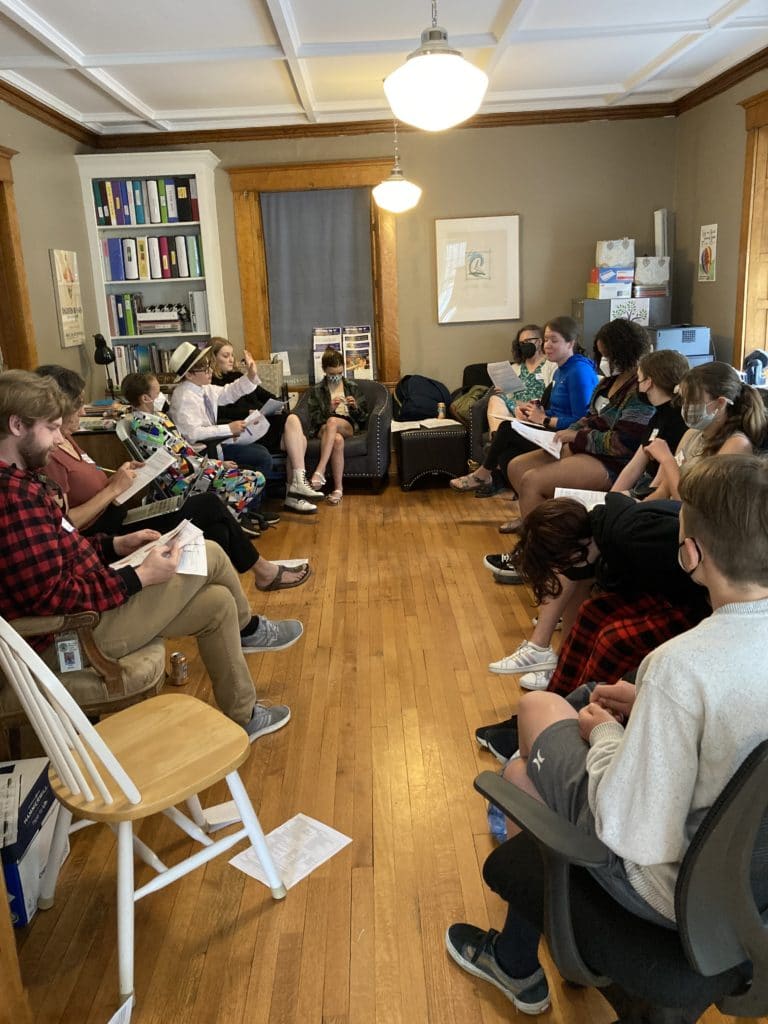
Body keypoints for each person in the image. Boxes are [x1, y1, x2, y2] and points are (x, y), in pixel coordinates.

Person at [447, 454, 768, 1013]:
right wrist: (652, 710)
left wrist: (605, 739)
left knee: (535, 730)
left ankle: (517, 963)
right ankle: (520, 956)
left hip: (678, 897)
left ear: (691, 554)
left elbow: (632, 831)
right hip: (758, 890)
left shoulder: (679, 666)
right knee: (541, 755)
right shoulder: (691, 673)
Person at [0, 371, 304, 741]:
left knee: (217, 603)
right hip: (70, 633)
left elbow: (62, 547)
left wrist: (114, 546)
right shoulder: (12, 499)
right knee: (206, 552)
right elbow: (51, 597)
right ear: (17, 425)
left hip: (95, 603)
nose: (56, 438)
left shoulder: (24, 483)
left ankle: (243, 714)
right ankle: (249, 629)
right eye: (50, 428)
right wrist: (139, 577)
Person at [36, 367, 309, 592]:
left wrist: (120, 478)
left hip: (122, 513)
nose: (83, 411)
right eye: (78, 405)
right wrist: (112, 490)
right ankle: (263, 573)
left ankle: (232, 604)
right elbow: (65, 525)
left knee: (219, 530)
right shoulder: (49, 458)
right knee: (210, 505)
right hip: (110, 531)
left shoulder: (66, 439)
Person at [504, 318, 654, 533]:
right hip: (589, 447)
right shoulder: (607, 383)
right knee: (517, 466)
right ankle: (539, 523)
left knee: (532, 481)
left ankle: (536, 545)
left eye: (608, 355)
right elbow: (590, 417)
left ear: (624, 353)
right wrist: (572, 430)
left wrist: (577, 438)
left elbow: (623, 443)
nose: (603, 360)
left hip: (614, 462)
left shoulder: (639, 392)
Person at [451, 317, 597, 515]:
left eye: (553, 340)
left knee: (506, 430)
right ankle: (527, 510)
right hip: (550, 428)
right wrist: (536, 413)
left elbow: (583, 419)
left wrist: (544, 419)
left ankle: (484, 474)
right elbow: (556, 408)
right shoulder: (561, 371)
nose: (547, 345)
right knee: (505, 448)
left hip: (564, 436)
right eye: (545, 340)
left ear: (570, 343)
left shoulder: (578, 371)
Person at [121, 370, 276, 533]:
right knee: (254, 479)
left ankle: (227, 518)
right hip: (182, 481)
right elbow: (177, 464)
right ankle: (229, 520)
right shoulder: (146, 428)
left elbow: (183, 450)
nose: (162, 397)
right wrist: (216, 466)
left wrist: (218, 464)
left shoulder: (158, 417)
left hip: (192, 470)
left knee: (249, 474)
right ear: (145, 398)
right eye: (158, 393)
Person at [450, 324, 555, 496]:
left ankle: (492, 469)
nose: (525, 345)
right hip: (514, 413)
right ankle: (495, 441)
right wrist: (511, 402)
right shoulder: (514, 368)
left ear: (540, 341)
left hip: (537, 412)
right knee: (495, 399)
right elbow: (509, 397)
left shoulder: (550, 366)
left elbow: (550, 395)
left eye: (530, 340)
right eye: (522, 342)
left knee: (512, 416)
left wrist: (527, 407)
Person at [641, 361, 766, 500]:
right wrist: (634, 511)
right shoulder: (691, 434)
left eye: (694, 401)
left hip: (694, 518)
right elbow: (664, 491)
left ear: (720, 403)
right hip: (671, 514)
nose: (687, 407)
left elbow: (693, 507)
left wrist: (667, 460)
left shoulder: (737, 445)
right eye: (685, 400)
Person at [168, 341, 273, 477]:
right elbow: (193, 434)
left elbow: (228, 392)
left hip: (214, 444)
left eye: (209, 366)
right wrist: (228, 429)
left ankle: (250, 492)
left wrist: (251, 375)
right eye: (205, 369)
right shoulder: (183, 397)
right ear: (189, 375)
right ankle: (247, 494)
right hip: (201, 453)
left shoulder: (202, 388)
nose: (210, 371)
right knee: (262, 457)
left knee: (262, 451)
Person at [283, 347, 369, 509]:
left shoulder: (352, 386)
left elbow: (363, 418)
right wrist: (329, 408)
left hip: (347, 424)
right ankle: (338, 489)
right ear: (324, 370)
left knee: (333, 422)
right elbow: (314, 419)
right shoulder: (317, 390)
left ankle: (319, 470)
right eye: (332, 374)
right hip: (324, 428)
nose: (336, 377)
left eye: (339, 373)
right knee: (336, 439)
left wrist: (355, 407)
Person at [609, 348, 689, 498]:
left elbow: (659, 484)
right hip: (646, 485)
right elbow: (635, 466)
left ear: (648, 383)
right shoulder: (658, 414)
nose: (637, 385)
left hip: (660, 490)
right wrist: (609, 498)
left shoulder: (679, 422)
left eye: (639, 379)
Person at [210, 337, 286, 454]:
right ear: (213, 359)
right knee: (293, 439)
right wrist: (247, 413)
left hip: (262, 418)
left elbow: (267, 395)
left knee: (291, 420)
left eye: (232, 355)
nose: (231, 359)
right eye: (226, 356)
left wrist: (275, 405)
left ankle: (299, 471)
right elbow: (220, 413)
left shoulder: (238, 375)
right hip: (246, 428)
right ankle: (300, 471)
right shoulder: (212, 384)